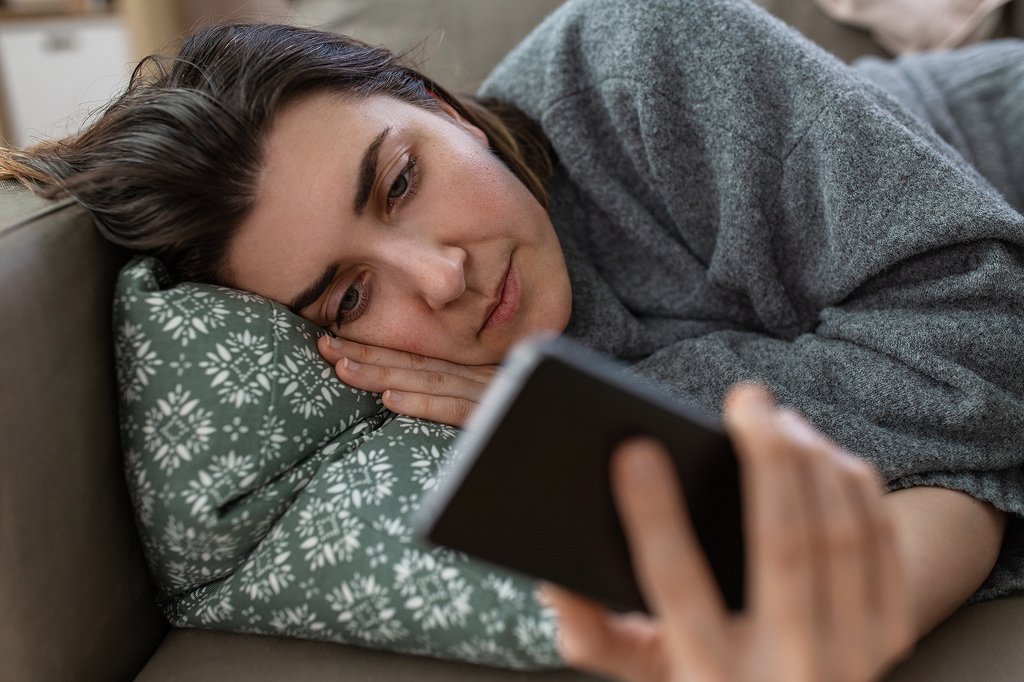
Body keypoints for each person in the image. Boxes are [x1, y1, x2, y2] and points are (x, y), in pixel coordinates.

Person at [1, 0, 1021, 679]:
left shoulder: (647, 52)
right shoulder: (397, 401)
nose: (442, 278)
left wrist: (610, 400)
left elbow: (989, 325)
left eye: (402, 180)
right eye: (349, 299)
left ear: (448, 111)